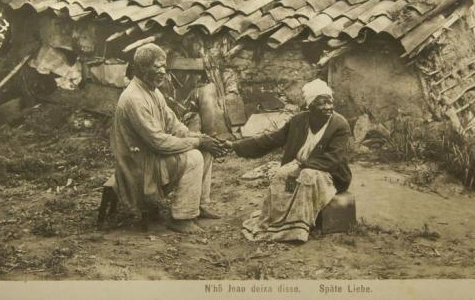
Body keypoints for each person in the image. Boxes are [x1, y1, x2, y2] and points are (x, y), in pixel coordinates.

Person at [110, 43, 226, 234]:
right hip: (138, 165)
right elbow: (158, 142)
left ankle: (199, 205)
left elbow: (173, 124)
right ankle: (181, 217)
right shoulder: (134, 98)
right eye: (157, 67)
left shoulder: (153, 91)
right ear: (142, 68)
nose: (163, 71)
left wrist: (199, 137)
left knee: (205, 150)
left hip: (152, 155)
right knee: (194, 157)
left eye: (164, 66)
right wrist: (196, 142)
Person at [225, 79, 352, 243]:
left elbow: (334, 158)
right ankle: (279, 223)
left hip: (330, 174)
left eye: (330, 101)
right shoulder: (298, 121)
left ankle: (297, 229)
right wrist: (236, 146)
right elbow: (271, 139)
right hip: (299, 168)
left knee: (306, 176)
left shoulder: (340, 125)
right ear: (310, 105)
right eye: (321, 103)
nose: (328, 107)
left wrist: (303, 167)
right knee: (283, 176)